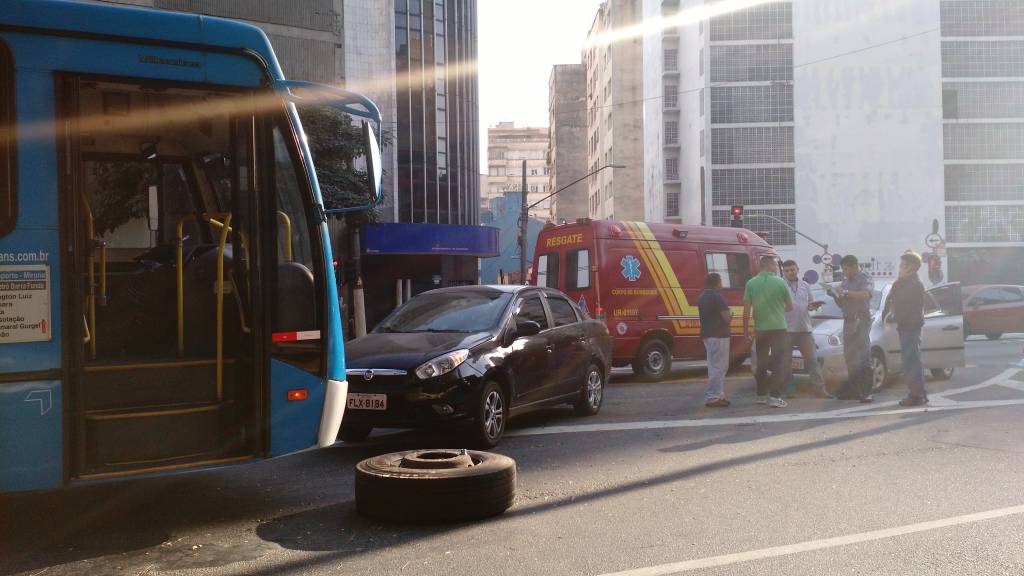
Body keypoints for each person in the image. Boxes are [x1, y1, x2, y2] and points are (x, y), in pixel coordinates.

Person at [743, 255, 794, 408]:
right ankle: (775, 397)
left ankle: (760, 394)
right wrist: (779, 310)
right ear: (771, 265)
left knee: (761, 362)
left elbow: (746, 310)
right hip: (779, 328)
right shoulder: (781, 283)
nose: (777, 268)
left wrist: (746, 331)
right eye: (776, 266)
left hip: (760, 329)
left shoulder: (751, 283)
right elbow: (790, 307)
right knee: (778, 363)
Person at [780, 260, 832, 398]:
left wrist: (813, 306)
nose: (790, 272)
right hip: (786, 329)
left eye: (792, 269)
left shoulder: (805, 285)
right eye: (787, 270)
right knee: (786, 362)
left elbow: (810, 305)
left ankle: (820, 390)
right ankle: (789, 390)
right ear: (783, 272)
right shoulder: (781, 285)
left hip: (805, 329)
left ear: (798, 269)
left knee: (812, 360)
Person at [827, 255, 875, 402]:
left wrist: (846, 292)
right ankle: (854, 390)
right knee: (850, 357)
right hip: (848, 321)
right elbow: (842, 304)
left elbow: (866, 294)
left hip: (861, 320)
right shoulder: (845, 282)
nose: (844, 272)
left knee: (863, 356)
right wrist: (835, 295)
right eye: (843, 269)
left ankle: (867, 392)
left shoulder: (864, 278)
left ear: (854, 266)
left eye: (846, 268)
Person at [883, 251, 927, 406]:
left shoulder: (916, 285)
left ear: (911, 268)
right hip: (904, 326)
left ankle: (916, 395)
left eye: (902, 266)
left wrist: (896, 312)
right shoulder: (900, 283)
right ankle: (920, 393)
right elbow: (892, 301)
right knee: (911, 360)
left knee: (911, 361)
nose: (899, 268)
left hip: (912, 326)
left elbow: (908, 305)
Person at [698, 273, 732, 407]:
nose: (722, 284)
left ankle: (718, 394)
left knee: (713, 366)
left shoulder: (702, 297)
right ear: (717, 283)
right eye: (721, 281)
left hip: (707, 335)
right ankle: (713, 397)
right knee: (720, 367)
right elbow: (726, 318)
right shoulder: (718, 297)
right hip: (719, 335)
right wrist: (731, 315)